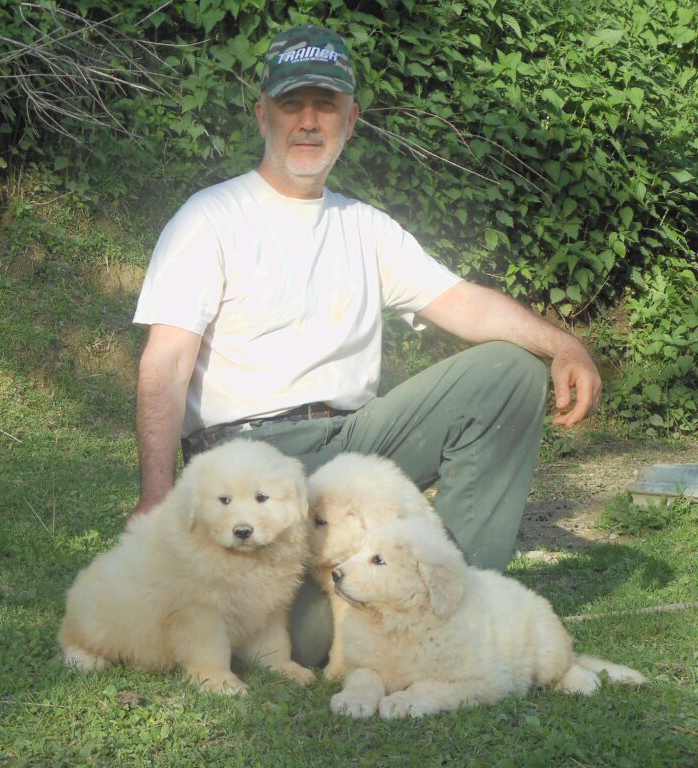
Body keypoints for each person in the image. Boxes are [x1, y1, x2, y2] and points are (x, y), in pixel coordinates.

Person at [130, 24, 601, 666]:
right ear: (261, 111)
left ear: (350, 119)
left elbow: (460, 301)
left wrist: (563, 343)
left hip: (359, 449)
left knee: (509, 372)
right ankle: (348, 613)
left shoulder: (366, 228)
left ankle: (458, 598)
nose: (307, 121)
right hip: (257, 466)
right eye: (292, 103)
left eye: (324, 105)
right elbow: (166, 363)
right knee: (312, 641)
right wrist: (157, 499)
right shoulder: (210, 218)